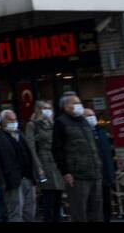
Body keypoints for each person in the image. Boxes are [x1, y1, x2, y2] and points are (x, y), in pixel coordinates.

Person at [52, 94, 101, 222]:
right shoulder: (61, 122)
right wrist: (65, 172)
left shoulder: (84, 121)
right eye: (75, 103)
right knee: (79, 211)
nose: (79, 106)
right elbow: (57, 150)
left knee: (96, 210)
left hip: (94, 172)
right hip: (77, 174)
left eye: (79, 103)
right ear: (65, 107)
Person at [0, 110, 35, 222]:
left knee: (30, 211)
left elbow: (29, 154)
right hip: (11, 180)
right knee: (15, 211)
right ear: (3, 121)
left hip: (27, 177)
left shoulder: (20, 135)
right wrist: (1, 181)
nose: (14, 122)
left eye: (15, 120)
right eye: (10, 120)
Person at [25, 100, 62, 221]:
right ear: (38, 110)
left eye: (49, 108)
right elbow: (31, 147)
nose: (48, 111)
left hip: (57, 164)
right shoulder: (33, 125)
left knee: (58, 197)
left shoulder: (53, 124)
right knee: (48, 197)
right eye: (45, 108)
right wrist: (38, 167)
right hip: (44, 165)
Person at [88, 110, 116, 222]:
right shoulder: (85, 133)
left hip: (105, 174)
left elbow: (108, 153)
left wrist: (112, 172)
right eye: (88, 116)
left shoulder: (102, 132)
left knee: (106, 204)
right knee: (94, 206)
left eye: (92, 116)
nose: (91, 118)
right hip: (92, 176)